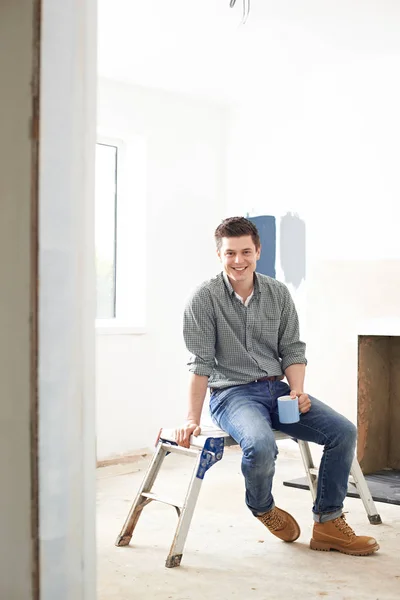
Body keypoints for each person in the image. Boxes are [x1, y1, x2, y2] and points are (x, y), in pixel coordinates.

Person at [175, 216, 379, 556]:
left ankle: (328, 522)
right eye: (230, 254)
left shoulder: (278, 293)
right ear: (219, 254)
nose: (238, 261)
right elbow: (200, 364)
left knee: (342, 432)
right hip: (232, 395)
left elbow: (292, 350)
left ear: (258, 251)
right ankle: (263, 507)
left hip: (278, 391)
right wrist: (191, 418)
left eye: (245, 252)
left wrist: (297, 390)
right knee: (260, 444)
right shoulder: (203, 299)